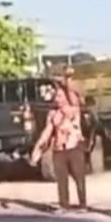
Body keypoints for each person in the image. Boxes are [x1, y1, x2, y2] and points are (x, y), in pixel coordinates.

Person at [29, 74, 87, 212]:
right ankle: (64, 204)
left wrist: (65, 82)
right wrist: (37, 149)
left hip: (74, 147)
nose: (57, 99)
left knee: (79, 177)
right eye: (57, 97)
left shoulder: (74, 110)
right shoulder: (53, 113)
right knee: (61, 179)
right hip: (59, 149)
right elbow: (47, 132)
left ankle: (83, 204)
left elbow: (74, 94)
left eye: (60, 97)